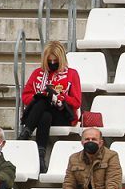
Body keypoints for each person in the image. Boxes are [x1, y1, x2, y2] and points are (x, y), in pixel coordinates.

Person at [19, 41, 82, 169]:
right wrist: (42, 95)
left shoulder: (72, 74)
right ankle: (41, 158)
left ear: (61, 59)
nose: (52, 64)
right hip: (42, 114)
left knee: (44, 100)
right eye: (50, 61)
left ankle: (26, 132)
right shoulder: (38, 73)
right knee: (44, 112)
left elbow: (76, 102)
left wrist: (60, 96)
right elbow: (26, 96)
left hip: (63, 114)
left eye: (55, 61)